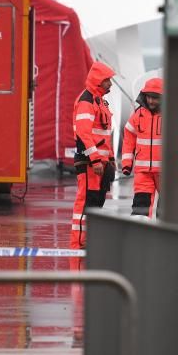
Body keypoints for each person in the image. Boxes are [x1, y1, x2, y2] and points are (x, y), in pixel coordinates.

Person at [120, 77, 178, 217]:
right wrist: (126, 163)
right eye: (148, 97)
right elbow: (129, 135)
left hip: (166, 172)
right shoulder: (138, 114)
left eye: (154, 98)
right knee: (139, 210)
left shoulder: (175, 115)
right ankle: (140, 238)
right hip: (143, 172)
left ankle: (164, 238)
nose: (150, 101)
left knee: (166, 213)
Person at [71, 62, 116, 240]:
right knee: (87, 201)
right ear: (99, 80)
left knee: (97, 201)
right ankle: (80, 241)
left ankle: (89, 239)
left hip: (100, 162)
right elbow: (83, 132)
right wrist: (95, 159)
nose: (110, 84)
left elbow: (105, 134)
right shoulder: (86, 101)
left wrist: (110, 158)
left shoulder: (100, 101)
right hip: (90, 162)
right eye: (107, 81)